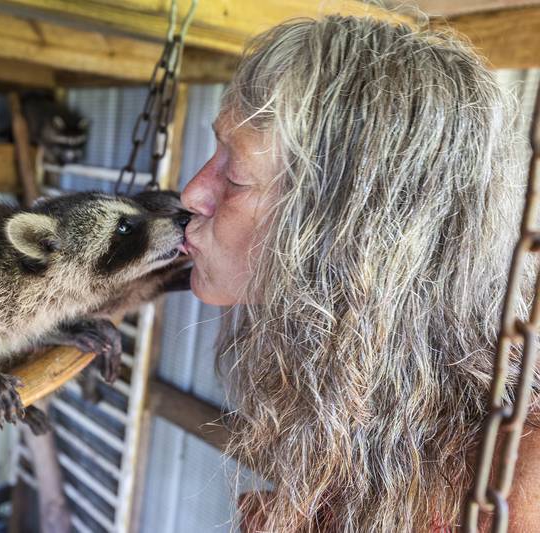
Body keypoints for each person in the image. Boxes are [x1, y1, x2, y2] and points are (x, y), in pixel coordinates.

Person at [179, 15, 540, 531]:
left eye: (234, 176)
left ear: (345, 233)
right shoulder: (341, 377)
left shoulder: (522, 474)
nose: (193, 193)